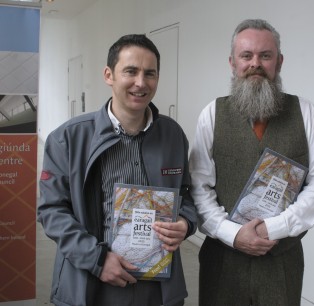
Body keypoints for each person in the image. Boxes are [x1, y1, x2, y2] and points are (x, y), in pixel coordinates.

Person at [37, 34, 197, 306]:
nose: (141, 83)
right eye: (131, 71)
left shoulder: (173, 135)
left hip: (157, 287)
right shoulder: (67, 138)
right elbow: (52, 210)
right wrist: (97, 259)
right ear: (109, 75)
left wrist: (185, 223)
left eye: (150, 73)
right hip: (91, 283)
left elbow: (186, 193)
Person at [189, 19, 314, 306]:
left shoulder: (305, 112)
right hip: (223, 260)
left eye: (265, 56)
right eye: (247, 56)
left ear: (279, 62)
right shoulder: (211, 114)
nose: (255, 63)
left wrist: (276, 227)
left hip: (282, 261)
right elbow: (197, 187)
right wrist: (232, 234)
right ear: (232, 62)